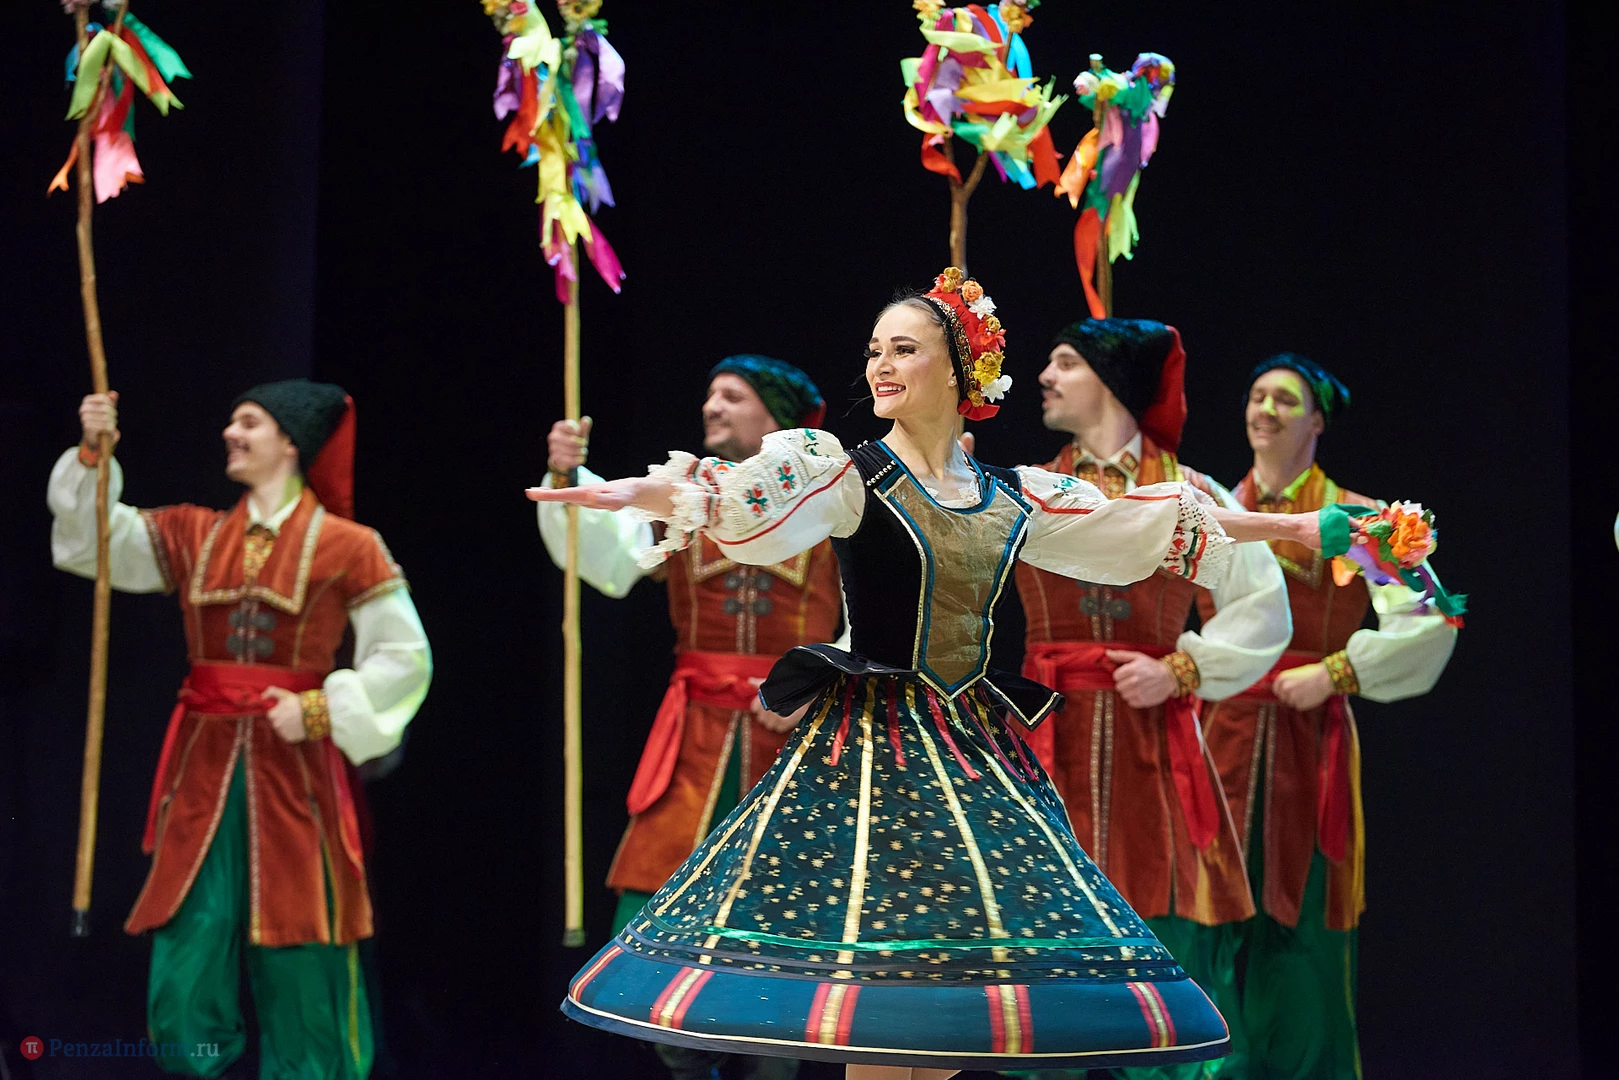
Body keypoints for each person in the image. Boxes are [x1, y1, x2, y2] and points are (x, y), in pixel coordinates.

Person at [532, 269, 1350, 1078]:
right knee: (884, 1009)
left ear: (961, 372)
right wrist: (648, 493)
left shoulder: (1009, 494)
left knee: (948, 1017)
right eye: (874, 351)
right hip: (875, 757)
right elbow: (739, 499)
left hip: (973, 757)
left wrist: (1299, 529)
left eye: (903, 349)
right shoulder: (846, 475)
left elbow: (1140, 524)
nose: (880, 365)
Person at [50, 380, 432, 1080]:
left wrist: (320, 709)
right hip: (204, 770)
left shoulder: (349, 546)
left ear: (289, 443)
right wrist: (93, 455)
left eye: (249, 422)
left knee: (302, 945)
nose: (231, 432)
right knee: (184, 959)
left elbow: (404, 656)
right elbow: (94, 544)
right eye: (232, 421)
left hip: (295, 775)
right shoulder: (194, 534)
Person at [538, 355, 840, 1080]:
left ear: (776, 416)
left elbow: (884, 610)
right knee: (666, 898)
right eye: (709, 393)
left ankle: (775, 1062)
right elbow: (613, 562)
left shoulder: (830, 500)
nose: (712, 406)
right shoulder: (682, 491)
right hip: (697, 735)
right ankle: (680, 1056)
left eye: (732, 396)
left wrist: (819, 678)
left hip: (792, 741)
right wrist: (567, 477)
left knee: (788, 915)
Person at [1009, 318, 1291, 1080]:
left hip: (1152, 740)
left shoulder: (1191, 493)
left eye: (1063, 363)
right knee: (1046, 923)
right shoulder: (1028, 488)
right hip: (1046, 737)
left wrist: (1183, 668)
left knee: (1164, 923)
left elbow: (1262, 604)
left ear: (1109, 381)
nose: (1044, 377)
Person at [1193, 355, 1457, 1079]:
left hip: (1307, 745)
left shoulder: (1365, 519)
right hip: (1216, 740)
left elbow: (1433, 619)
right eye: (1256, 395)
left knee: (1303, 937)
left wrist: (1337, 671)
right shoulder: (1213, 509)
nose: (1265, 409)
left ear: (1316, 422)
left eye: (1285, 399)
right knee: (1210, 931)